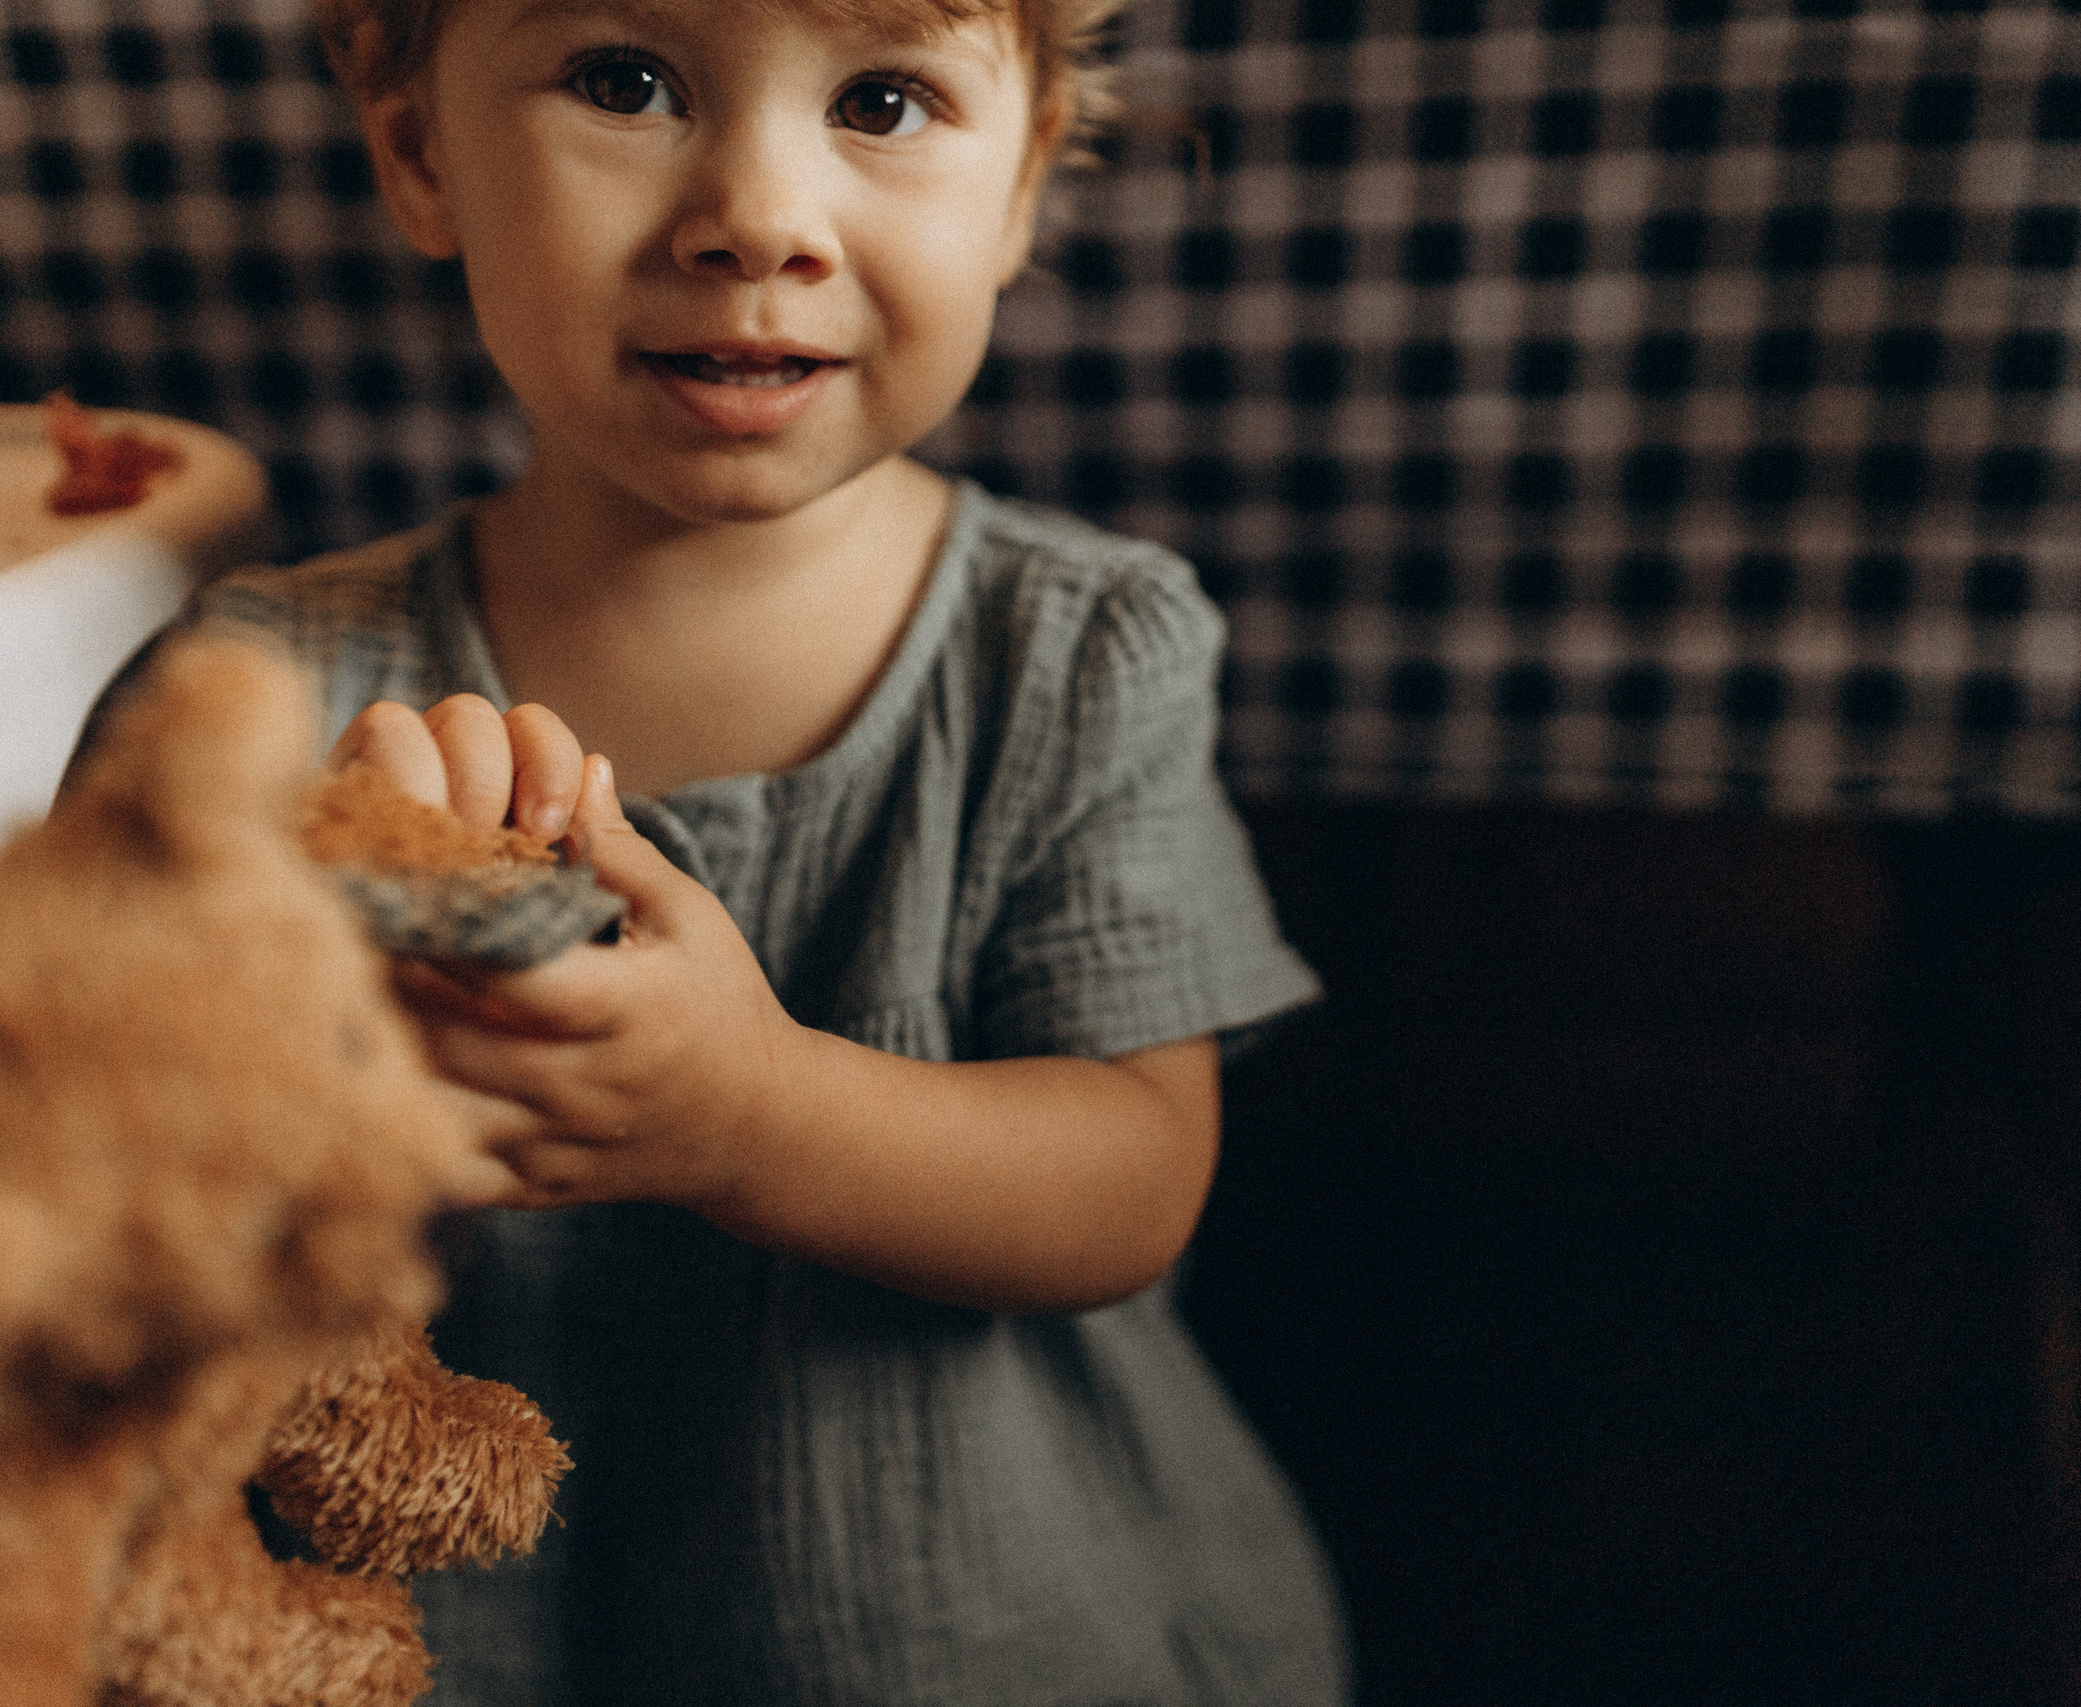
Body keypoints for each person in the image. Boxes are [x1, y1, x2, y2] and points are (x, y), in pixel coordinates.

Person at [183, 0, 1351, 1698]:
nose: (758, 215)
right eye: (626, 81)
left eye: (882, 99)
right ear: (421, 149)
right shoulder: (261, 685)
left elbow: (1135, 1185)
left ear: (1020, 187)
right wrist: (305, 980)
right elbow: (104, 1156)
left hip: (972, 1632)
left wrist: (748, 1116)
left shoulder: (1083, 648)